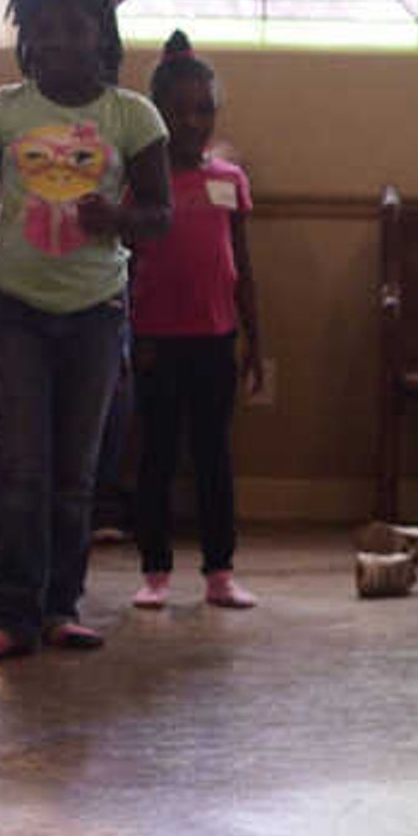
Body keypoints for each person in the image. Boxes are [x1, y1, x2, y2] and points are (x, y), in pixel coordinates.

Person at [0, 0, 170, 661]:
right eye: (44, 29)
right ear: (27, 37)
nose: (59, 43)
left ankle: (59, 605)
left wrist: (120, 219)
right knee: (19, 463)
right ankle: (7, 609)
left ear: (100, 36)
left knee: (76, 471)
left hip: (95, 311)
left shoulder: (131, 115)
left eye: (75, 29)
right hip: (10, 303)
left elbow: (161, 214)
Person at [125, 32, 264, 613]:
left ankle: (219, 571)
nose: (191, 121)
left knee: (213, 457)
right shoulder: (143, 184)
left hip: (215, 339)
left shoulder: (230, 180)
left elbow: (243, 265)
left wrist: (256, 338)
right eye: (177, 111)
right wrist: (128, 338)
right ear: (156, 115)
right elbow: (127, 263)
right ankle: (155, 570)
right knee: (155, 457)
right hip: (157, 338)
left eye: (203, 109)